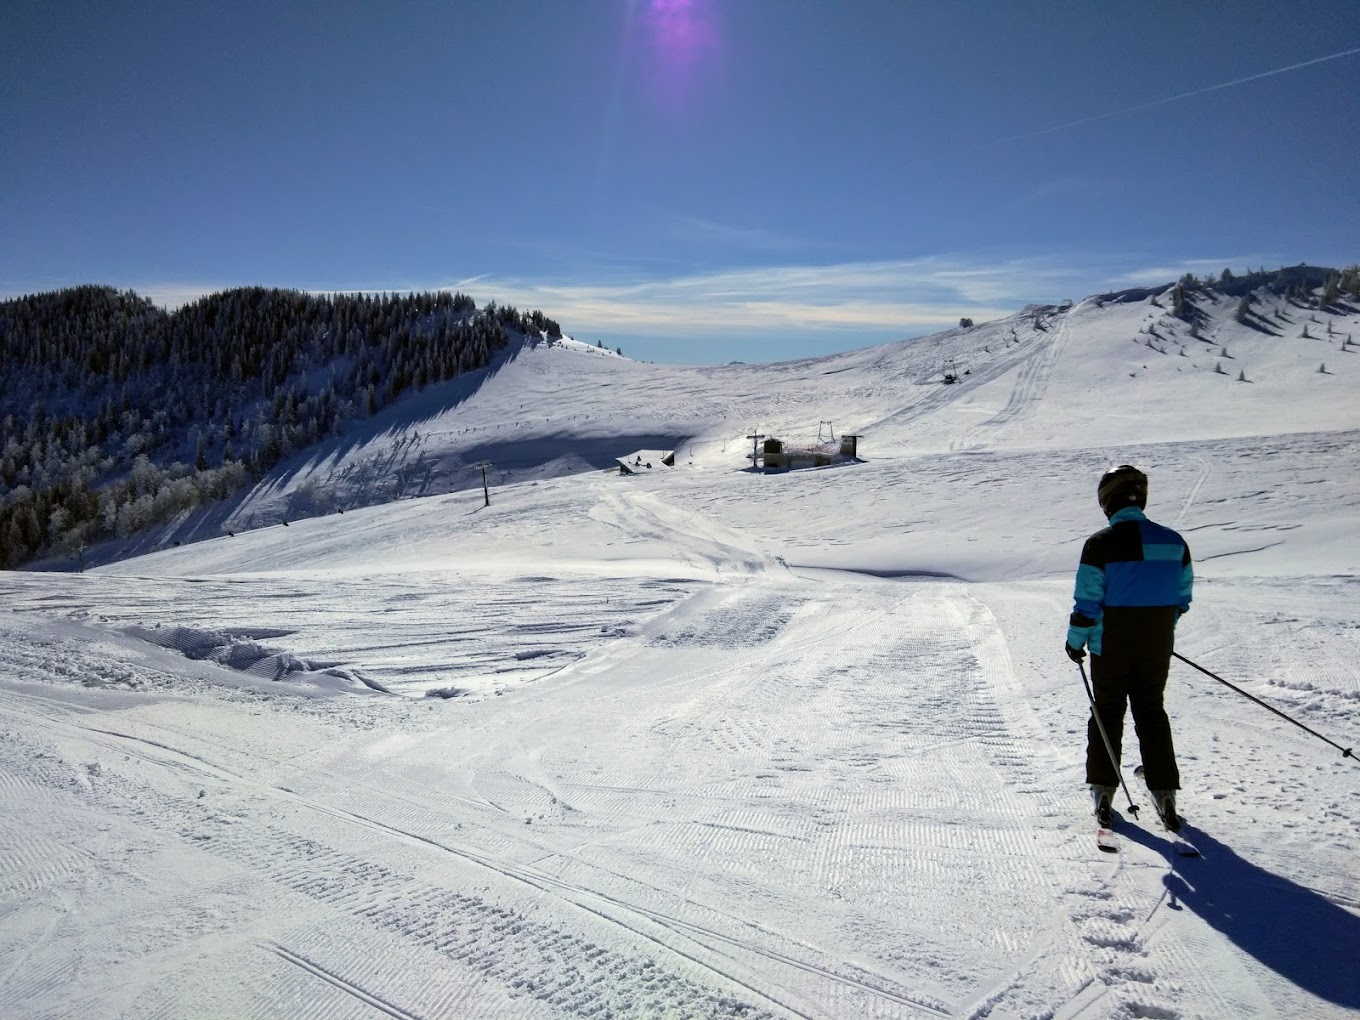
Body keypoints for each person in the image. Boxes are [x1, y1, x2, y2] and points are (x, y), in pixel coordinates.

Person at [1064, 465, 1193, 832]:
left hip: (1110, 647)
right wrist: (1159, 628)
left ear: (1107, 501)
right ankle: (1164, 791)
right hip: (1156, 646)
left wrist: (1075, 644)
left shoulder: (1100, 544)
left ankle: (1104, 789)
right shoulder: (1174, 541)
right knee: (1151, 710)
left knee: (1107, 711)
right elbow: (1182, 598)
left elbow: (1087, 602)